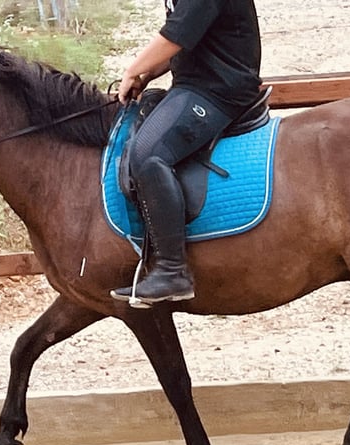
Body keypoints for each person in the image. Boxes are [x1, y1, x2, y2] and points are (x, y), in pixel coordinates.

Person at [110, 0, 262, 306]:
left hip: (218, 90)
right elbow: (189, 35)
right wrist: (149, 72)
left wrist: (134, 69)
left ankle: (171, 271)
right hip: (198, 83)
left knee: (148, 154)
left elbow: (175, 35)